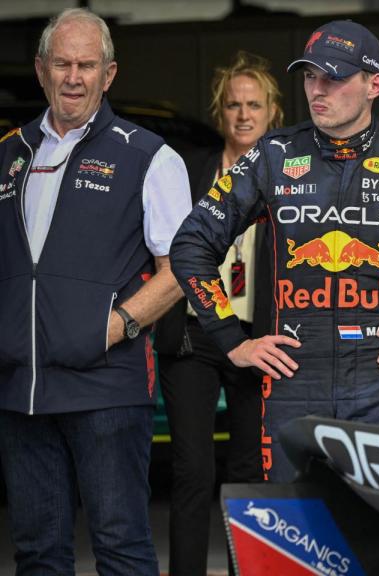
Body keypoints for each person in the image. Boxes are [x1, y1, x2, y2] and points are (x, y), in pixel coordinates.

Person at [170, 19, 379, 483]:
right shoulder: (273, 155)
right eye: (311, 76)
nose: (318, 90)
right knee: (296, 525)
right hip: (293, 379)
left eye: (333, 78)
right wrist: (232, 339)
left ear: (374, 85)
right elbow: (191, 244)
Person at [0, 8, 191, 574]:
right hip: (21, 392)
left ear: (109, 74)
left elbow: (183, 268)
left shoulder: (149, 155)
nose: (73, 77)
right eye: (62, 64)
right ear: (41, 70)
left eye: (86, 65)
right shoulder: (8, 153)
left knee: (120, 547)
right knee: (37, 554)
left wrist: (118, 325)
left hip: (106, 387)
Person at [153, 51, 282, 575]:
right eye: (233, 105)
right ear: (219, 111)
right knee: (192, 471)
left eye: (254, 105)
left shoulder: (291, 178)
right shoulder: (189, 172)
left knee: (249, 471)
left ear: (273, 112)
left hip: (257, 335)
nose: (244, 115)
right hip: (195, 333)